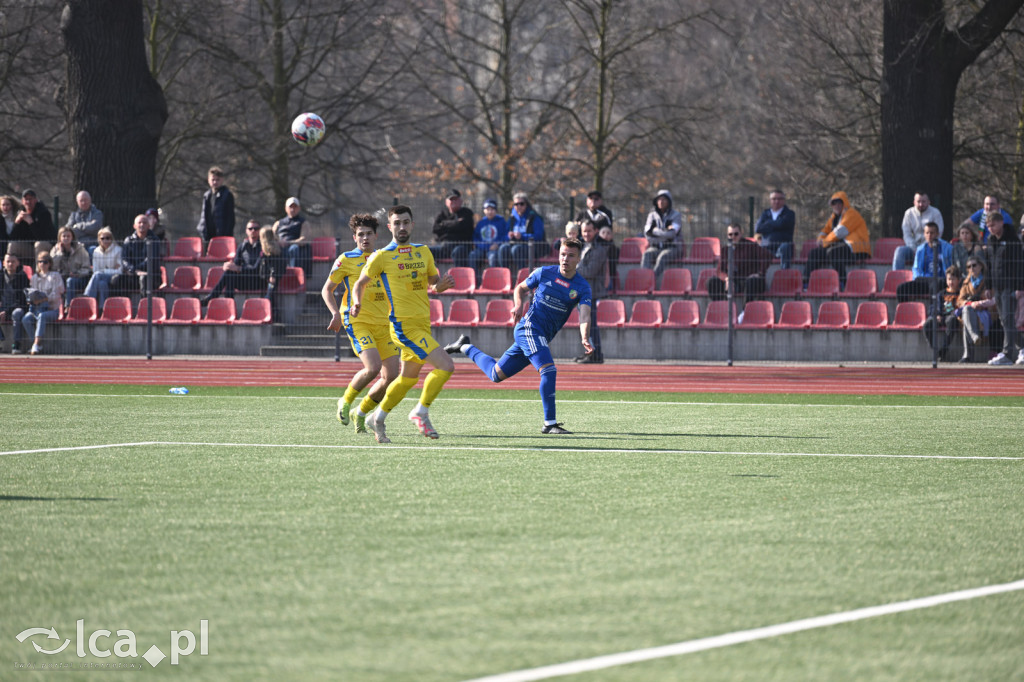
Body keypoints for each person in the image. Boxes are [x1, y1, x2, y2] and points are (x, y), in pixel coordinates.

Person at [444, 238, 594, 434]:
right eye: (562, 254)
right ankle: (550, 424)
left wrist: (584, 336)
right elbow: (520, 288)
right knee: (549, 370)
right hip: (529, 329)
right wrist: (517, 305)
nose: (565, 259)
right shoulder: (544, 273)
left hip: (539, 337)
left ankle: (464, 346)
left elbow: (584, 314)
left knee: (496, 374)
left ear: (578, 259)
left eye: (570, 255)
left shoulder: (582, 287)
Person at [349, 205, 456, 444]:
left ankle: (375, 416)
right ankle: (421, 411)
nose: (402, 227)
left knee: (407, 379)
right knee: (446, 366)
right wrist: (356, 303)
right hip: (402, 327)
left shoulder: (423, 252)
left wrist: (441, 285)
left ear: (412, 224)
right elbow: (359, 284)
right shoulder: (382, 256)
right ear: (389, 227)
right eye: (396, 223)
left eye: (406, 222)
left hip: (422, 324)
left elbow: (433, 283)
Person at [322, 213, 400, 434]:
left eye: (368, 234)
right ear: (354, 238)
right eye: (360, 235)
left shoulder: (384, 258)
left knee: (391, 377)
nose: (365, 238)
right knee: (373, 367)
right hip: (358, 321)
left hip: (384, 324)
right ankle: (345, 401)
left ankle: (361, 411)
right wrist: (335, 313)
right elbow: (327, 289)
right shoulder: (345, 259)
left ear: (376, 236)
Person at [982, 211, 1024, 365]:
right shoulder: (991, 240)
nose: (990, 228)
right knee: (1005, 320)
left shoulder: (1013, 240)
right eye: (988, 226)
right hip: (997, 287)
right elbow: (989, 265)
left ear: (1000, 223)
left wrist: (1020, 287)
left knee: (1008, 318)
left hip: (1010, 285)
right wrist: (988, 285)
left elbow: (1019, 265)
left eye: (993, 225)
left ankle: (1007, 353)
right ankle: (1022, 348)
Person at [804, 191, 870, 288]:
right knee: (814, 253)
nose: (837, 205)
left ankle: (843, 283)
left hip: (856, 249)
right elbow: (825, 231)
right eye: (834, 203)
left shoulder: (852, 214)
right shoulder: (833, 217)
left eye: (839, 202)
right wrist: (820, 239)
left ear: (844, 203)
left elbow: (840, 232)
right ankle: (806, 283)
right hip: (841, 247)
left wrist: (825, 242)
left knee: (834, 252)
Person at [202, 219, 267, 304]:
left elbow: (256, 269)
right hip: (245, 279)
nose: (253, 231)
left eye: (256, 228)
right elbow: (236, 264)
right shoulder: (242, 246)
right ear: (246, 231)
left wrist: (237, 268)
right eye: (250, 228)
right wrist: (229, 266)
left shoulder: (264, 247)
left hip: (258, 281)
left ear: (259, 231)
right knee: (229, 273)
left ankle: (215, 298)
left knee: (231, 274)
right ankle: (228, 304)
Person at [15, 251, 63, 355]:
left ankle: (36, 344)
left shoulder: (55, 276)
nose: (42, 264)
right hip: (36, 309)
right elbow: (32, 293)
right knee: (26, 319)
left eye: (45, 262)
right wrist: (31, 300)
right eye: (40, 261)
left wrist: (42, 300)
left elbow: (57, 294)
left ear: (49, 263)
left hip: (52, 310)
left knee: (42, 316)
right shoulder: (34, 278)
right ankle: (37, 344)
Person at [708, 222, 769, 305]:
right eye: (730, 234)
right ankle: (720, 308)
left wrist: (759, 273)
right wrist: (727, 279)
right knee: (712, 282)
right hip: (733, 281)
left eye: (736, 234)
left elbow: (766, 256)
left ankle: (745, 312)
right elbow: (720, 271)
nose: (733, 237)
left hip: (748, 280)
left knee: (751, 282)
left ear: (741, 233)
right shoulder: (725, 250)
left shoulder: (751, 246)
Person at [573, 218, 607, 363]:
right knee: (584, 324)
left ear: (595, 231)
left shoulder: (598, 250)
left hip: (592, 291)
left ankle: (595, 354)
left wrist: (573, 268)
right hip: (582, 291)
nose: (586, 234)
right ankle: (589, 352)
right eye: (584, 231)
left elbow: (590, 271)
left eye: (589, 231)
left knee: (590, 325)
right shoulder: (582, 246)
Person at [895, 222, 953, 303]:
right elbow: (916, 268)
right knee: (901, 289)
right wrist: (917, 278)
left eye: (932, 233)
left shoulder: (947, 248)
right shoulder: (920, 249)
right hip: (924, 280)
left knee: (935, 286)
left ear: (937, 234)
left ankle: (933, 313)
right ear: (924, 234)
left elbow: (951, 266)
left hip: (941, 280)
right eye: (927, 233)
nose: (929, 235)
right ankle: (905, 310)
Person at [111, 214, 162, 296]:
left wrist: (136, 269)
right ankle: (123, 306)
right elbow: (124, 260)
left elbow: (151, 260)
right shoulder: (128, 240)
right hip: (133, 275)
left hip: (151, 277)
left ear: (149, 226)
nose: (142, 225)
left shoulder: (154, 240)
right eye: (139, 222)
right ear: (134, 226)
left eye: (144, 223)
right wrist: (134, 270)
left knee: (143, 278)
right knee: (116, 279)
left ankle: (145, 307)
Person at [956, 258, 994, 363]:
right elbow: (960, 300)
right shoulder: (966, 282)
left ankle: (967, 355)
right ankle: (974, 336)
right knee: (966, 311)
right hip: (970, 310)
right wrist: (970, 304)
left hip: (984, 311)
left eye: (974, 265)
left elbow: (991, 298)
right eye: (969, 266)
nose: (971, 268)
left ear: (981, 266)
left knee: (966, 316)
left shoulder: (987, 280)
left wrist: (978, 304)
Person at [893, 192, 944, 270]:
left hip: (930, 247)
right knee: (899, 251)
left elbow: (938, 232)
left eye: (923, 201)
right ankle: (896, 278)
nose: (921, 204)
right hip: (912, 248)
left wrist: (923, 248)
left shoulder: (935, 213)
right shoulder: (908, 213)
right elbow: (907, 234)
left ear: (929, 202)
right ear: (914, 202)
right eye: (918, 201)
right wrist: (914, 248)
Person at [922, 265, 963, 361]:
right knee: (927, 324)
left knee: (952, 320)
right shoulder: (941, 293)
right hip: (940, 316)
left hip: (952, 317)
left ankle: (944, 349)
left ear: (959, 280)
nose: (950, 282)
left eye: (953, 279)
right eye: (949, 279)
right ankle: (934, 349)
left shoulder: (961, 294)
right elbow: (933, 307)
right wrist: (937, 315)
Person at [499, 192, 547, 273]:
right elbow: (503, 236)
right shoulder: (512, 218)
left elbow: (539, 236)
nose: (519, 206)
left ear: (526, 204)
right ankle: (505, 276)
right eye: (516, 204)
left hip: (532, 247)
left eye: (521, 204)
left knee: (516, 249)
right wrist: (509, 236)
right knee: (503, 248)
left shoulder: (534, 217)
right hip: (515, 244)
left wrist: (522, 236)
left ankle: (524, 276)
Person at [641, 189, 684, 278]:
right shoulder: (651, 216)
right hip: (656, 247)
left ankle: (651, 279)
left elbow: (672, 234)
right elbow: (648, 235)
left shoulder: (676, 215)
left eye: (664, 199)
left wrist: (654, 231)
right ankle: (644, 279)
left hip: (672, 248)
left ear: (669, 201)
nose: (661, 202)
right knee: (647, 254)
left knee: (663, 256)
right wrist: (665, 232)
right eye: (659, 199)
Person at [50, 227, 92, 311]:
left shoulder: (80, 249)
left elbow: (87, 268)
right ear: (60, 238)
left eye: (68, 236)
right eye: (64, 236)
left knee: (70, 281)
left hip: (79, 278)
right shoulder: (55, 250)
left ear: (72, 237)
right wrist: (60, 253)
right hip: (62, 277)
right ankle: (53, 308)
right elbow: (52, 267)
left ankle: (68, 307)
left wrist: (77, 274)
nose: (66, 238)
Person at [430, 188, 475, 268]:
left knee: (458, 251)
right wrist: (456, 223)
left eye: (456, 199)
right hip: (445, 248)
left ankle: (461, 278)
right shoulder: (442, 214)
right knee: (426, 251)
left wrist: (444, 224)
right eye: (451, 199)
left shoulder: (467, 212)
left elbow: (464, 226)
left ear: (461, 201)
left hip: (462, 247)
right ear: (446, 202)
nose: (453, 202)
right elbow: (435, 228)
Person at [753, 189, 796, 269]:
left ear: (784, 200)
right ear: (770, 200)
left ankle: (784, 274)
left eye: (779, 199)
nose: (776, 201)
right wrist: (775, 224)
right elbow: (758, 228)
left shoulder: (789, 214)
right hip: (766, 247)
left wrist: (768, 223)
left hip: (781, 248)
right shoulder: (765, 213)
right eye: (774, 199)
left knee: (785, 247)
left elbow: (782, 224)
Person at [12, 189, 57, 262]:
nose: (28, 202)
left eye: (30, 199)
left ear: (35, 200)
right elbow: (13, 237)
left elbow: (42, 237)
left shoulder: (43, 213)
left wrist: (31, 223)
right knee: (13, 245)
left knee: (39, 244)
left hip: (46, 246)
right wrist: (17, 222)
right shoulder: (20, 213)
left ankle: (38, 271)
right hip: (29, 247)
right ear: (22, 201)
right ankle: (11, 271)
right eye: (26, 199)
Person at [83, 227, 122, 309]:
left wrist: (103, 271)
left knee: (98, 275)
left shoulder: (118, 250)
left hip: (113, 278)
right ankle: (102, 309)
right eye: (102, 238)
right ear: (99, 240)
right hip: (100, 278)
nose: (105, 240)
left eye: (107, 238)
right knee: (102, 284)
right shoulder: (96, 251)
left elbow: (119, 270)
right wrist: (110, 270)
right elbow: (95, 270)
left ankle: (88, 297)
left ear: (111, 239)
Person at [273, 197, 310, 278]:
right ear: (286, 208)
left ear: (299, 208)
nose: (293, 209)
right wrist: (279, 242)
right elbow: (272, 236)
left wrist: (289, 243)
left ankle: (293, 275)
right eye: (290, 207)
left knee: (294, 248)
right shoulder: (278, 223)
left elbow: (303, 239)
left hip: (295, 248)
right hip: (279, 247)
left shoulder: (303, 223)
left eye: (295, 207)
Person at [196, 166, 236, 240]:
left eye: (217, 180)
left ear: (222, 180)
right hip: (208, 236)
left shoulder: (227, 195)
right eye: (213, 179)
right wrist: (202, 230)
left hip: (222, 236)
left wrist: (226, 236)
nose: (215, 182)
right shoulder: (207, 196)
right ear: (208, 180)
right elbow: (203, 216)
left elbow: (230, 218)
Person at [0, 253, 30, 352]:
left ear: (18, 263)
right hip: (3, 306)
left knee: (17, 314)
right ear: (3, 263)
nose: (10, 264)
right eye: (8, 261)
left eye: (13, 262)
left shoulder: (22, 277)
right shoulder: (1, 276)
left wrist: (7, 312)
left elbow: (22, 300)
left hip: (18, 307)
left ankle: (16, 344)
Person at [469, 198, 508, 273]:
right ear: (484, 210)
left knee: (493, 257)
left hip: (494, 249)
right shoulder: (481, 222)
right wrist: (483, 246)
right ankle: (475, 280)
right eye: (487, 209)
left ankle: (493, 280)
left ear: (496, 210)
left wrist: (498, 244)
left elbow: (506, 236)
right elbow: (475, 238)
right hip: (481, 249)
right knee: (472, 255)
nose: (490, 211)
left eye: (492, 209)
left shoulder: (501, 221)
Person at [258, 226, 286, 314]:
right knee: (273, 298)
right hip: (267, 277)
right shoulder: (265, 248)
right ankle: (276, 316)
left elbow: (274, 265)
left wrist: (272, 275)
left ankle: (265, 311)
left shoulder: (272, 249)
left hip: (272, 278)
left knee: (270, 295)